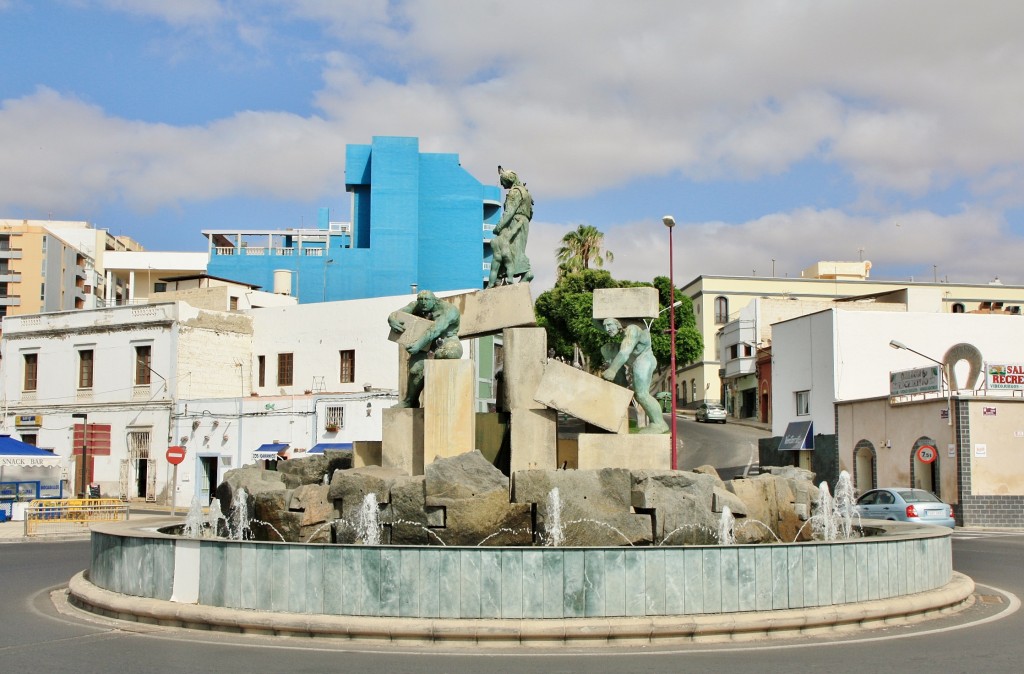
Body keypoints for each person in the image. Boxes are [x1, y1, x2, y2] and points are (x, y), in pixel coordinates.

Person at [388, 290, 462, 408]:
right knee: (415, 369)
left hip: (447, 341)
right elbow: (397, 314)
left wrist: (417, 345)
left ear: (434, 300)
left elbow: (435, 330)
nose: (423, 303)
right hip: (425, 343)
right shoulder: (417, 305)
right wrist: (391, 319)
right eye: (420, 300)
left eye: (426, 300)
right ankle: (410, 401)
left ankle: (442, 400)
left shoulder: (449, 310)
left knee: (448, 354)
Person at [600, 317, 669, 434]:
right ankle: (620, 382)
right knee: (607, 348)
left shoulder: (633, 330)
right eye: (605, 326)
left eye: (609, 325)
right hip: (635, 360)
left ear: (618, 323)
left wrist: (612, 370)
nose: (607, 329)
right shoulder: (624, 331)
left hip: (644, 360)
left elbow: (624, 352)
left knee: (641, 395)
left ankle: (659, 424)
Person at [487, 166, 534, 288]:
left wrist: (499, 227)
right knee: (514, 251)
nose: (502, 185)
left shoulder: (515, 192)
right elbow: (531, 213)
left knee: (511, 251)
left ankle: (525, 272)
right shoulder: (526, 193)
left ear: (508, 180)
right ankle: (501, 277)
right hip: (524, 222)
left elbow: (509, 212)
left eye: (503, 182)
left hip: (515, 221)